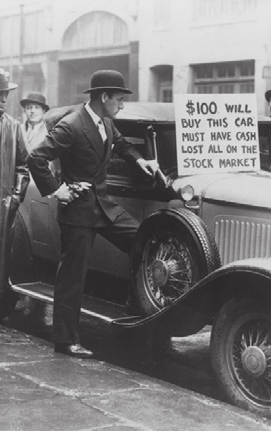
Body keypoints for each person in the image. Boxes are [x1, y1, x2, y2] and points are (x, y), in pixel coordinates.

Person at [27, 70, 158, 358]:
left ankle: (134, 312)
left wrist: (142, 161)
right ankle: (65, 340)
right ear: (103, 97)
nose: (121, 104)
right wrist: (57, 190)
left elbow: (121, 146)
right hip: (77, 211)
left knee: (143, 241)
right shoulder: (72, 125)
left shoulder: (106, 123)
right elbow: (36, 158)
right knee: (72, 277)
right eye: (119, 99)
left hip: (104, 207)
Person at [0, 68, 29, 305]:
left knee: (2, 256)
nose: (2, 100)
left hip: (4, 204)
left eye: (4, 95)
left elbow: (23, 166)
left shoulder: (14, 127)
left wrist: (16, 197)